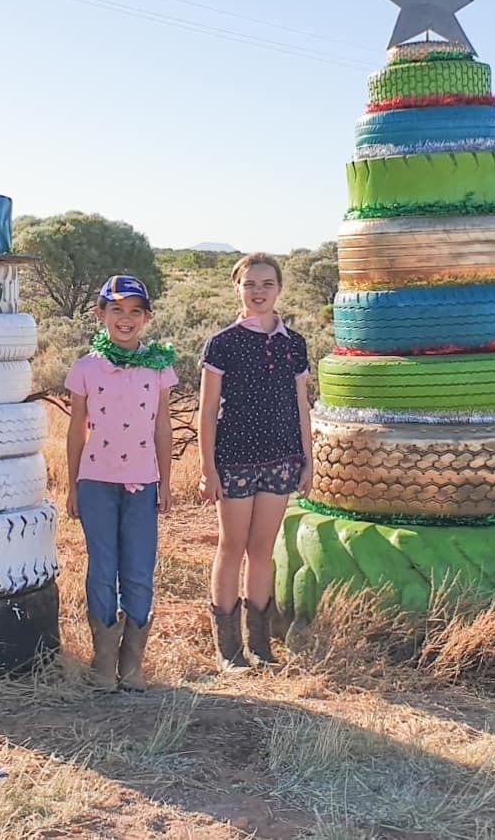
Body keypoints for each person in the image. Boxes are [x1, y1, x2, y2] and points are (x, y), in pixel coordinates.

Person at [198, 253, 313, 671]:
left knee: (262, 551)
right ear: (237, 288)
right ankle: (229, 650)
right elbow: (207, 410)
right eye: (250, 284)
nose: (258, 291)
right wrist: (207, 468)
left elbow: (302, 405)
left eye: (267, 284)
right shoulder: (223, 343)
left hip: (282, 459)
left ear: (279, 289)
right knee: (231, 548)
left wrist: (308, 461)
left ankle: (260, 647)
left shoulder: (293, 344)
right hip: (234, 460)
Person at [66, 275, 178, 691]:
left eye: (135, 311)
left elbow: (163, 427)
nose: (125, 319)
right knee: (102, 567)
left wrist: (165, 482)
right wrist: (73, 484)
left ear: (146, 317)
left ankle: (131, 665)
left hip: (143, 481)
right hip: (96, 480)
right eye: (117, 310)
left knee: (138, 569)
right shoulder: (86, 367)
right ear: (101, 315)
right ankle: (103, 662)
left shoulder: (159, 366)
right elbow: (77, 429)